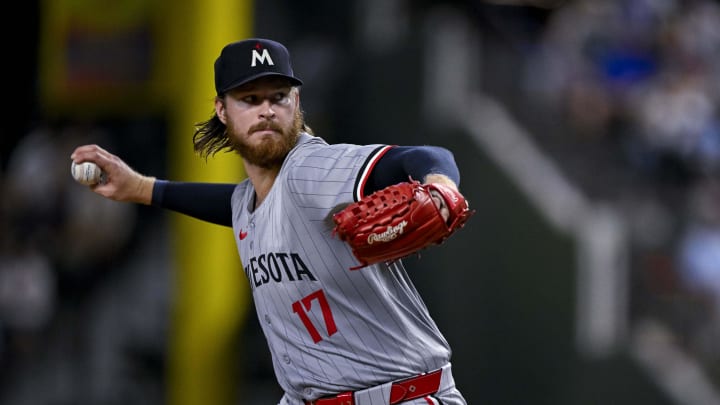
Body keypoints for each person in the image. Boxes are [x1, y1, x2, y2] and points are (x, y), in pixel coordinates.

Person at [71, 38, 468, 405]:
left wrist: (440, 185)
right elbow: (233, 204)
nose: (266, 110)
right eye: (249, 98)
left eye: (278, 97)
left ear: (296, 102)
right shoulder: (251, 201)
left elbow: (423, 155)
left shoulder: (310, 168)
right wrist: (141, 187)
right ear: (222, 110)